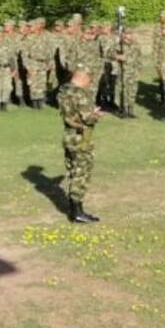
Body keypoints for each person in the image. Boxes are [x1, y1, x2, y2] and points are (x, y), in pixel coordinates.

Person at [56, 67, 102, 223]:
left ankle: (74, 209)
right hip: (80, 137)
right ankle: (77, 212)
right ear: (83, 78)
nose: (90, 84)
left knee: (73, 171)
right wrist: (95, 114)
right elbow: (86, 118)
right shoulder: (80, 93)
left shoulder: (64, 91)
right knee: (81, 174)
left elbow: (70, 114)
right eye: (89, 80)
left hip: (69, 135)